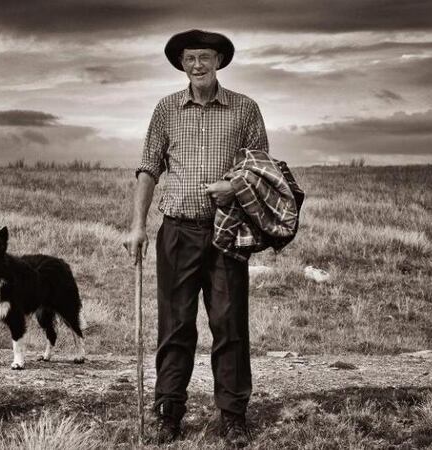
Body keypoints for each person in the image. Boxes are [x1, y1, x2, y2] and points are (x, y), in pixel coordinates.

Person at [123, 29, 270, 447]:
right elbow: (149, 168)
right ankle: (169, 413)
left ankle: (233, 416)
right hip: (177, 232)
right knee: (175, 325)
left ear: (219, 60)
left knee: (229, 324)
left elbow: (260, 170)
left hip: (227, 231)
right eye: (190, 58)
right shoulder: (167, 109)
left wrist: (234, 188)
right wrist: (137, 226)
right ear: (182, 64)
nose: (198, 65)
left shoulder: (245, 110)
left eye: (205, 57)